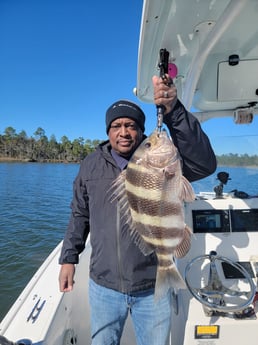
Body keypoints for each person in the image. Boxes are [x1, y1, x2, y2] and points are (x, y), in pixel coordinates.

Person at [58, 75, 217, 345]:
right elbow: (79, 214)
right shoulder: (91, 165)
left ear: (141, 130)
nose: (124, 132)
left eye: (131, 125)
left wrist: (174, 111)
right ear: (108, 130)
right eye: (117, 125)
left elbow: (205, 165)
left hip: (151, 282)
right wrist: (68, 258)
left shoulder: (164, 163)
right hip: (103, 284)